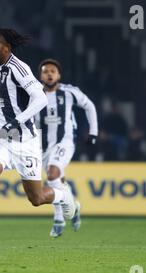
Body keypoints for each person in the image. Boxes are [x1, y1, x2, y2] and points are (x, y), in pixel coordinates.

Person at [0, 27, 76, 260]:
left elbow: (40, 98)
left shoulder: (19, 68)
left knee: (37, 198)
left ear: (6, 48)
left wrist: (16, 121)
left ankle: (64, 197)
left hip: (24, 141)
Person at [36, 58, 98, 237]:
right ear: (40, 76)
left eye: (52, 71)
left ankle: (59, 219)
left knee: (52, 173)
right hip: (42, 145)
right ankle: (74, 207)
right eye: (45, 71)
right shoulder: (34, 94)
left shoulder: (69, 92)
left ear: (59, 75)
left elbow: (90, 106)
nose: (49, 74)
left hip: (65, 141)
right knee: (55, 181)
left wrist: (93, 132)